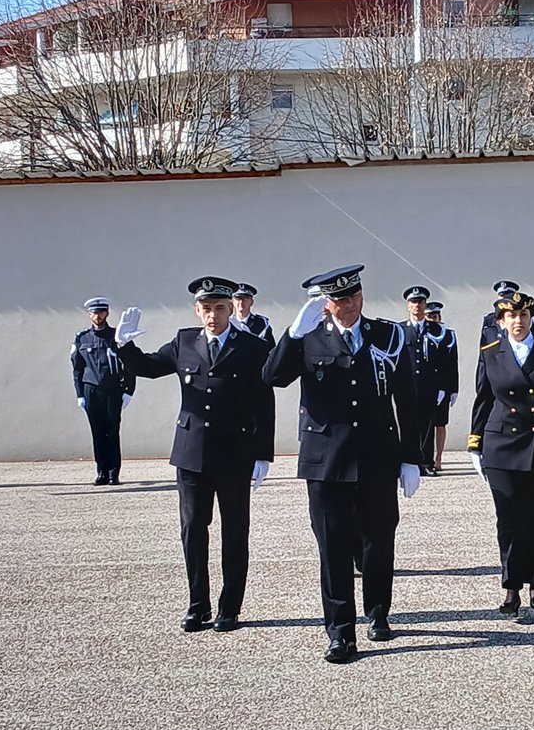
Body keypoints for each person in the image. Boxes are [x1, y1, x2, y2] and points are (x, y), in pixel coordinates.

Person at [263, 265, 422, 664]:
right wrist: (292, 335)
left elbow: (408, 397)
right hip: (326, 462)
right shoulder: (307, 337)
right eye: (337, 298)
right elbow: (272, 376)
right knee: (332, 547)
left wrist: (410, 457)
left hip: (377, 456)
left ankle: (379, 612)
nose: (346, 304)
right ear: (325, 303)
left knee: (379, 539)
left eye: (352, 296)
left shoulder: (389, 334)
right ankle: (339, 632)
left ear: (361, 296)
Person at [115, 277, 275, 634]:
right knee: (192, 529)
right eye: (206, 308)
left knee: (235, 532)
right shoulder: (185, 341)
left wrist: (263, 453)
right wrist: (123, 344)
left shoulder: (251, 347)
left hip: (234, 453)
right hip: (191, 453)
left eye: (220, 308)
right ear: (197, 310)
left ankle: (229, 608)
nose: (213, 315)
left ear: (231, 308)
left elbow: (263, 401)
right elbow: (150, 366)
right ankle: (197, 605)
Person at [468, 289, 534, 615]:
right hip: (501, 447)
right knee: (509, 519)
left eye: (524, 315)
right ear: (501, 321)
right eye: (511, 316)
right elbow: (484, 400)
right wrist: (475, 443)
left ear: (531, 318)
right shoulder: (491, 353)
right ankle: (511, 587)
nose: (518, 321)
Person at [70, 297, 136, 486]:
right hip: (91, 390)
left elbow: (130, 365)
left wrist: (129, 391)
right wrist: (80, 394)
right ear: (89, 314)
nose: (97, 316)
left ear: (107, 313)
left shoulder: (117, 336)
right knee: (97, 432)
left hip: (113, 390)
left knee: (112, 432)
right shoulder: (82, 338)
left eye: (101, 312)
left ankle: (113, 473)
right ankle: (101, 472)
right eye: (94, 312)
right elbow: (77, 369)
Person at [401, 285, 441, 476]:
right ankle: (409, 460)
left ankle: (426, 462)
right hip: (407, 384)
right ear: (408, 306)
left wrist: (446, 387)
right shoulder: (399, 329)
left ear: (425, 305)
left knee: (427, 425)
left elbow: (445, 361)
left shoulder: (436, 329)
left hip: (428, 384)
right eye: (413, 302)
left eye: (420, 302)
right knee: (408, 423)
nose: (417, 306)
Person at [424, 300, 459, 471]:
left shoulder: (449, 335)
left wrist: (454, 389)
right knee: (425, 424)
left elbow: (453, 364)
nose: (432, 319)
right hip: (426, 387)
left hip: (443, 387)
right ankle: (425, 458)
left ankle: (438, 458)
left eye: (435, 316)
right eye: (429, 316)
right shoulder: (421, 334)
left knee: (440, 423)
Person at [232, 283, 275, 348]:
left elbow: (270, 349)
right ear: (233, 302)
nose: (241, 302)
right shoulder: (228, 323)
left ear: (251, 302)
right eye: (238, 298)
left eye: (245, 298)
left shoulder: (262, 323)